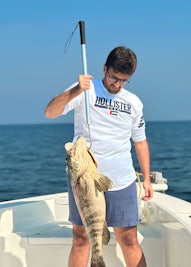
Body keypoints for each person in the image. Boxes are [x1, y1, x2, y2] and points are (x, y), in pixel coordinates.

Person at [45, 46, 153, 267]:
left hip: (121, 180)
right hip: (84, 181)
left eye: (123, 80)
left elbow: (140, 142)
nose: (117, 84)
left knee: (129, 239)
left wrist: (148, 179)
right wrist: (76, 89)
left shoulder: (134, 103)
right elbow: (50, 112)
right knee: (81, 238)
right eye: (113, 77)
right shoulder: (86, 90)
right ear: (105, 69)